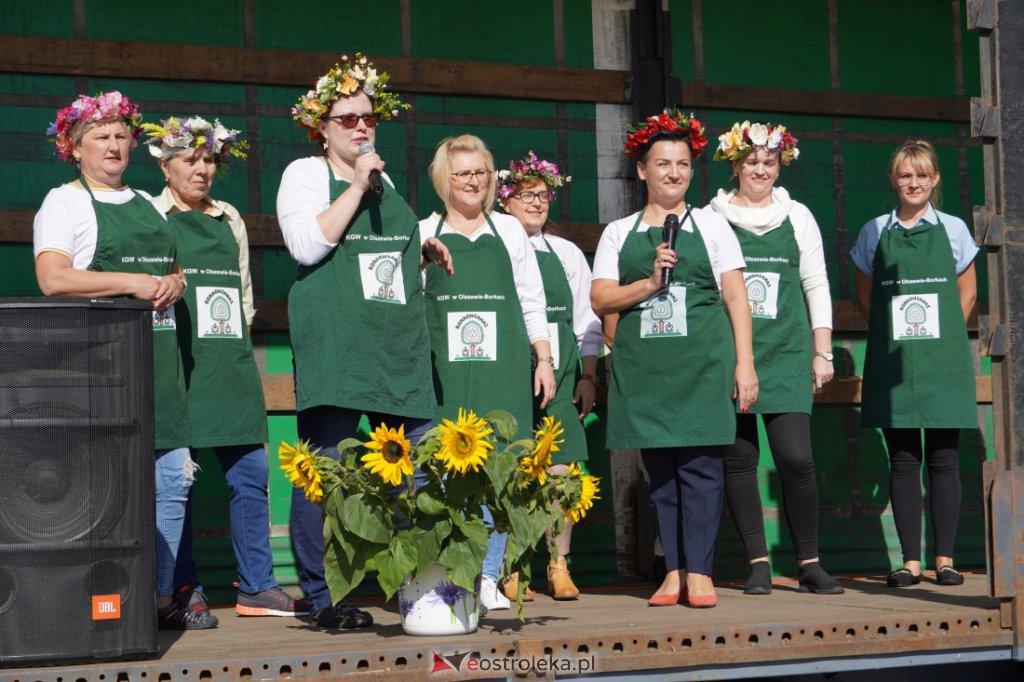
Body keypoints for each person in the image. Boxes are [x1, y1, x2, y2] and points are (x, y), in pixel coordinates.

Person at [277, 54, 451, 629]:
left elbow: (378, 256)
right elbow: (308, 246)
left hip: (393, 350)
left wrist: (418, 248)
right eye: (346, 118)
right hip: (338, 348)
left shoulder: (388, 181)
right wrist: (354, 186)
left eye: (367, 117)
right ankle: (326, 597)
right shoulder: (304, 175)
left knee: (419, 470)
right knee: (326, 477)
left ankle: (423, 589)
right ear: (321, 128)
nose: (360, 126)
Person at [33, 91, 213, 630]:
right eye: (100, 137)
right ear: (74, 147)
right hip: (100, 370)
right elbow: (53, 279)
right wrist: (132, 283)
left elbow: (171, 267)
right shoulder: (63, 202)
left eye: (120, 136)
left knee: (172, 482)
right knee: (106, 488)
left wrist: (176, 283)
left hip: (160, 364)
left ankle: (158, 599)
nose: (113, 146)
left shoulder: (145, 203)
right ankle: (107, 600)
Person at [591, 109, 757, 609]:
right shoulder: (618, 233)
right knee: (661, 474)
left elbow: (736, 298)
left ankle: (701, 572)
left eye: (682, 164)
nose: (673, 172)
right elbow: (601, 300)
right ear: (642, 170)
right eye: (662, 163)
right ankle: (673, 570)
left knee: (703, 472)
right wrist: (647, 284)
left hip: (702, 365)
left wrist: (744, 364)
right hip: (647, 371)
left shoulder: (713, 225)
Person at [144, 115, 307, 619]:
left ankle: (257, 586)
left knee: (251, 474)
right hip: (178, 362)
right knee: (179, 480)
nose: (201, 169)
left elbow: (243, 295)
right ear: (167, 167)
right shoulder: (151, 214)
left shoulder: (230, 217)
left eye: (208, 159)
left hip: (228, 360)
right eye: (190, 160)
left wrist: (237, 343)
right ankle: (185, 587)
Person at [420, 134, 556, 611]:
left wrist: (544, 359)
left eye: (480, 172)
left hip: (502, 371)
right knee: (447, 478)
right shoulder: (423, 232)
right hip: (446, 374)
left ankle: (490, 579)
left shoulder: (510, 231)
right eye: (461, 173)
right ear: (444, 180)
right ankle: (450, 579)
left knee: (503, 476)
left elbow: (532, 300)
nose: (472, 181)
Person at [708, 121, 844, 596]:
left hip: (786, 353)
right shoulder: (712, 216)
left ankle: (809, 563)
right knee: (739, 459)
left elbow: (816, 282)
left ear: (779, 165)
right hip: (733, 355)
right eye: (751, 162)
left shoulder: (798, 215)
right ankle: (759, 564)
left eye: (769, 162)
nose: (760, 169)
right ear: (735, 166)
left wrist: (821, 350)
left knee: (796, 458)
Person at [851, 140, 978, 588]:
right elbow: (864, 293)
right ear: (894, 180)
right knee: (903, 459)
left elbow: (968, 292)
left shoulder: (956, 230)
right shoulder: (874, 231)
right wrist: (887, 333)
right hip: (894, 362)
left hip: (945, 362)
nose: (914, 183)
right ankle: (910, 563)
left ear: (935, 179)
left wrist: (945, 336)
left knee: (944, 458)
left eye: (922, 175)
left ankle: (945, 560)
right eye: (905, 175)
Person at [496, 151, 602, 601]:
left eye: (542, 195)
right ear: (504, 201)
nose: (536, 204)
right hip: (504, 376)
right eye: (525, 196)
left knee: (560, 474)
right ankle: (511, 568)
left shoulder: (566, 253)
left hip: (559, 375)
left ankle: (558, 565)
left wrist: (588, 376)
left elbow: (586, 320)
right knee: (510, 472)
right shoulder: (493, 247)